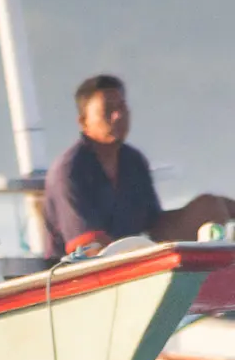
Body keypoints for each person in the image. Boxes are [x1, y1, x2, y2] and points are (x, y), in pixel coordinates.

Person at [44, 74, 234, 257]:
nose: (118, 116)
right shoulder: (69, 171)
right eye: (108, 110)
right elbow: (88, 247)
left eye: (122, 107)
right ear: (83, 122)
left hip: (135, 261)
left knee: (212, 207)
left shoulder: (133, 160)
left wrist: (211, 210)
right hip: (80, 271)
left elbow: (155, 225)